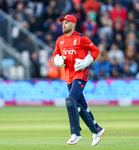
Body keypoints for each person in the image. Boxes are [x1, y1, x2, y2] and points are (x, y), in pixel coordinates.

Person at [53, 14, 105, 146]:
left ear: (73, 25)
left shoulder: (81, 38)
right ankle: (97, 130)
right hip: (69, 76)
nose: (63, 25)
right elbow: (56, 53)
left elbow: (95, 50)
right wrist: (56, 59)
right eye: (62, 22)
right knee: (80, 105)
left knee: (70, 101)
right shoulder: (60, 40)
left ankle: (75, 133)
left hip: (81, 74)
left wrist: (87, 60)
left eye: (66, 22)